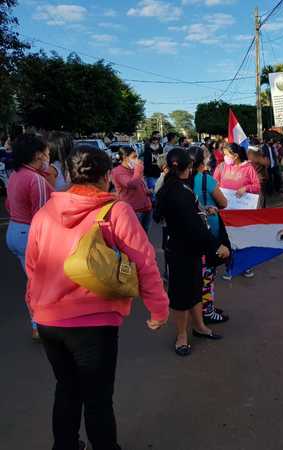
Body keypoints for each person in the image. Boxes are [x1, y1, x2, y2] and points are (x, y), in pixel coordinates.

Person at [26, 145, 169, 450]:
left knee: (66, 388)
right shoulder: (115, 211)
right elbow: (145, 262)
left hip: (48, 320)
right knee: (98, 398)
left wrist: (34, 308)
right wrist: (159, 308)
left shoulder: (44, 212)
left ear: (68, 175)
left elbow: (32, 267)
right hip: (94, 323)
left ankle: (64, 446)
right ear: (106, 177)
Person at [155, 148, 228, 356]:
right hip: (182, 249)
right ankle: (181, 335)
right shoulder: (179, 191)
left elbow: (180, 216)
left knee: (195, 288)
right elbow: (194, 226)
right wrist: (216, 246)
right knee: (181, 295)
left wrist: (202, 210)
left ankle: (199, 327)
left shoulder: (169, 187)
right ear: (188, 168)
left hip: (184, 248)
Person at [6, 134, 54, 339]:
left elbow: (9, 205)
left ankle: (38, 323)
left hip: (15, 231)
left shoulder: (16, 175)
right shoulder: (35, 179)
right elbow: (42, 216)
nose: (48, 157)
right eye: (46, 153)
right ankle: (40, 325)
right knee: (41, 283)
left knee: (33, 280)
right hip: (30, 233)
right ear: (37, 155)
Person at [191, 146, 231, 323]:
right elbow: (223, 202)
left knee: (197, 272)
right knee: (208, 273)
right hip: (209, 229)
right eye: (206, 156)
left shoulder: (184, 180)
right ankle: (207, 311)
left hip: (191, 232)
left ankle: (204, 308)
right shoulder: (206, 179)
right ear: (202, 161)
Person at [214, 143, 261, 279]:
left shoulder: (248, 168)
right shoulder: (221, 167)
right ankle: (230, 267)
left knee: (243, 238)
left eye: (227, 154)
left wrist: (246, 188)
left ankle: (245, 266)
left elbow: (257, 186)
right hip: (225, 210)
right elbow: (214, 183)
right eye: (224, 154)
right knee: (227, 239)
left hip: (242, 211)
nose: (224, 157)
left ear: (235, 156)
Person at [111, 145, 153, 233]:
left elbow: (140, 184)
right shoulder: (118, 172)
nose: (137, 160)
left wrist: (146, 191)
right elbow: (132, 184)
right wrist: (138, 169)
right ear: (125, 158)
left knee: (145, 237)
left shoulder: (133, 169)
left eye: (136, 156)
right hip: (134, 211)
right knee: (136, 237)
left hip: (146, 208)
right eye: (134, 157)